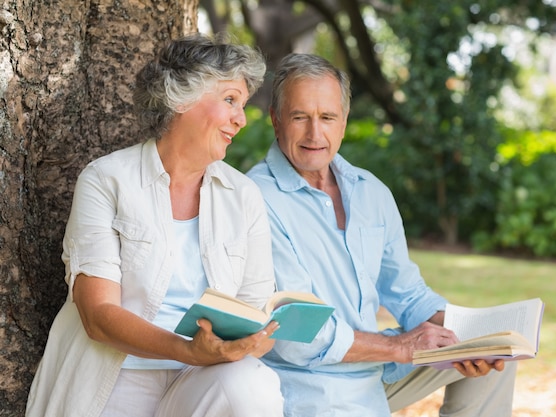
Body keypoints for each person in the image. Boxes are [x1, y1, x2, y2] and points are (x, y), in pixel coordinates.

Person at [26, 33, 284, 417]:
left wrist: (249, 342)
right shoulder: (106, 179)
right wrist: (186, 349)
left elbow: (257, 312)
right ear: (182, 97)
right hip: (116, 373)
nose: (241, 119)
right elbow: (98, 316)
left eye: (242, 105)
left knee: (255, 387)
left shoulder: (243, 195)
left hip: (200, 379)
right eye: (230, 100)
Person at [247, 53, 517, 417]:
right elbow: (296, 335)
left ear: (343, 122)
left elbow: (407, 293)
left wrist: (470, 331)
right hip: (313, 387)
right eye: (300, 117)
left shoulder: (370, 191)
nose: (315, 133)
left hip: (377, 368)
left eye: (327, 117)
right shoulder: (255, 198)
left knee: (493, 358)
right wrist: (400, 347)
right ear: (277, 121)